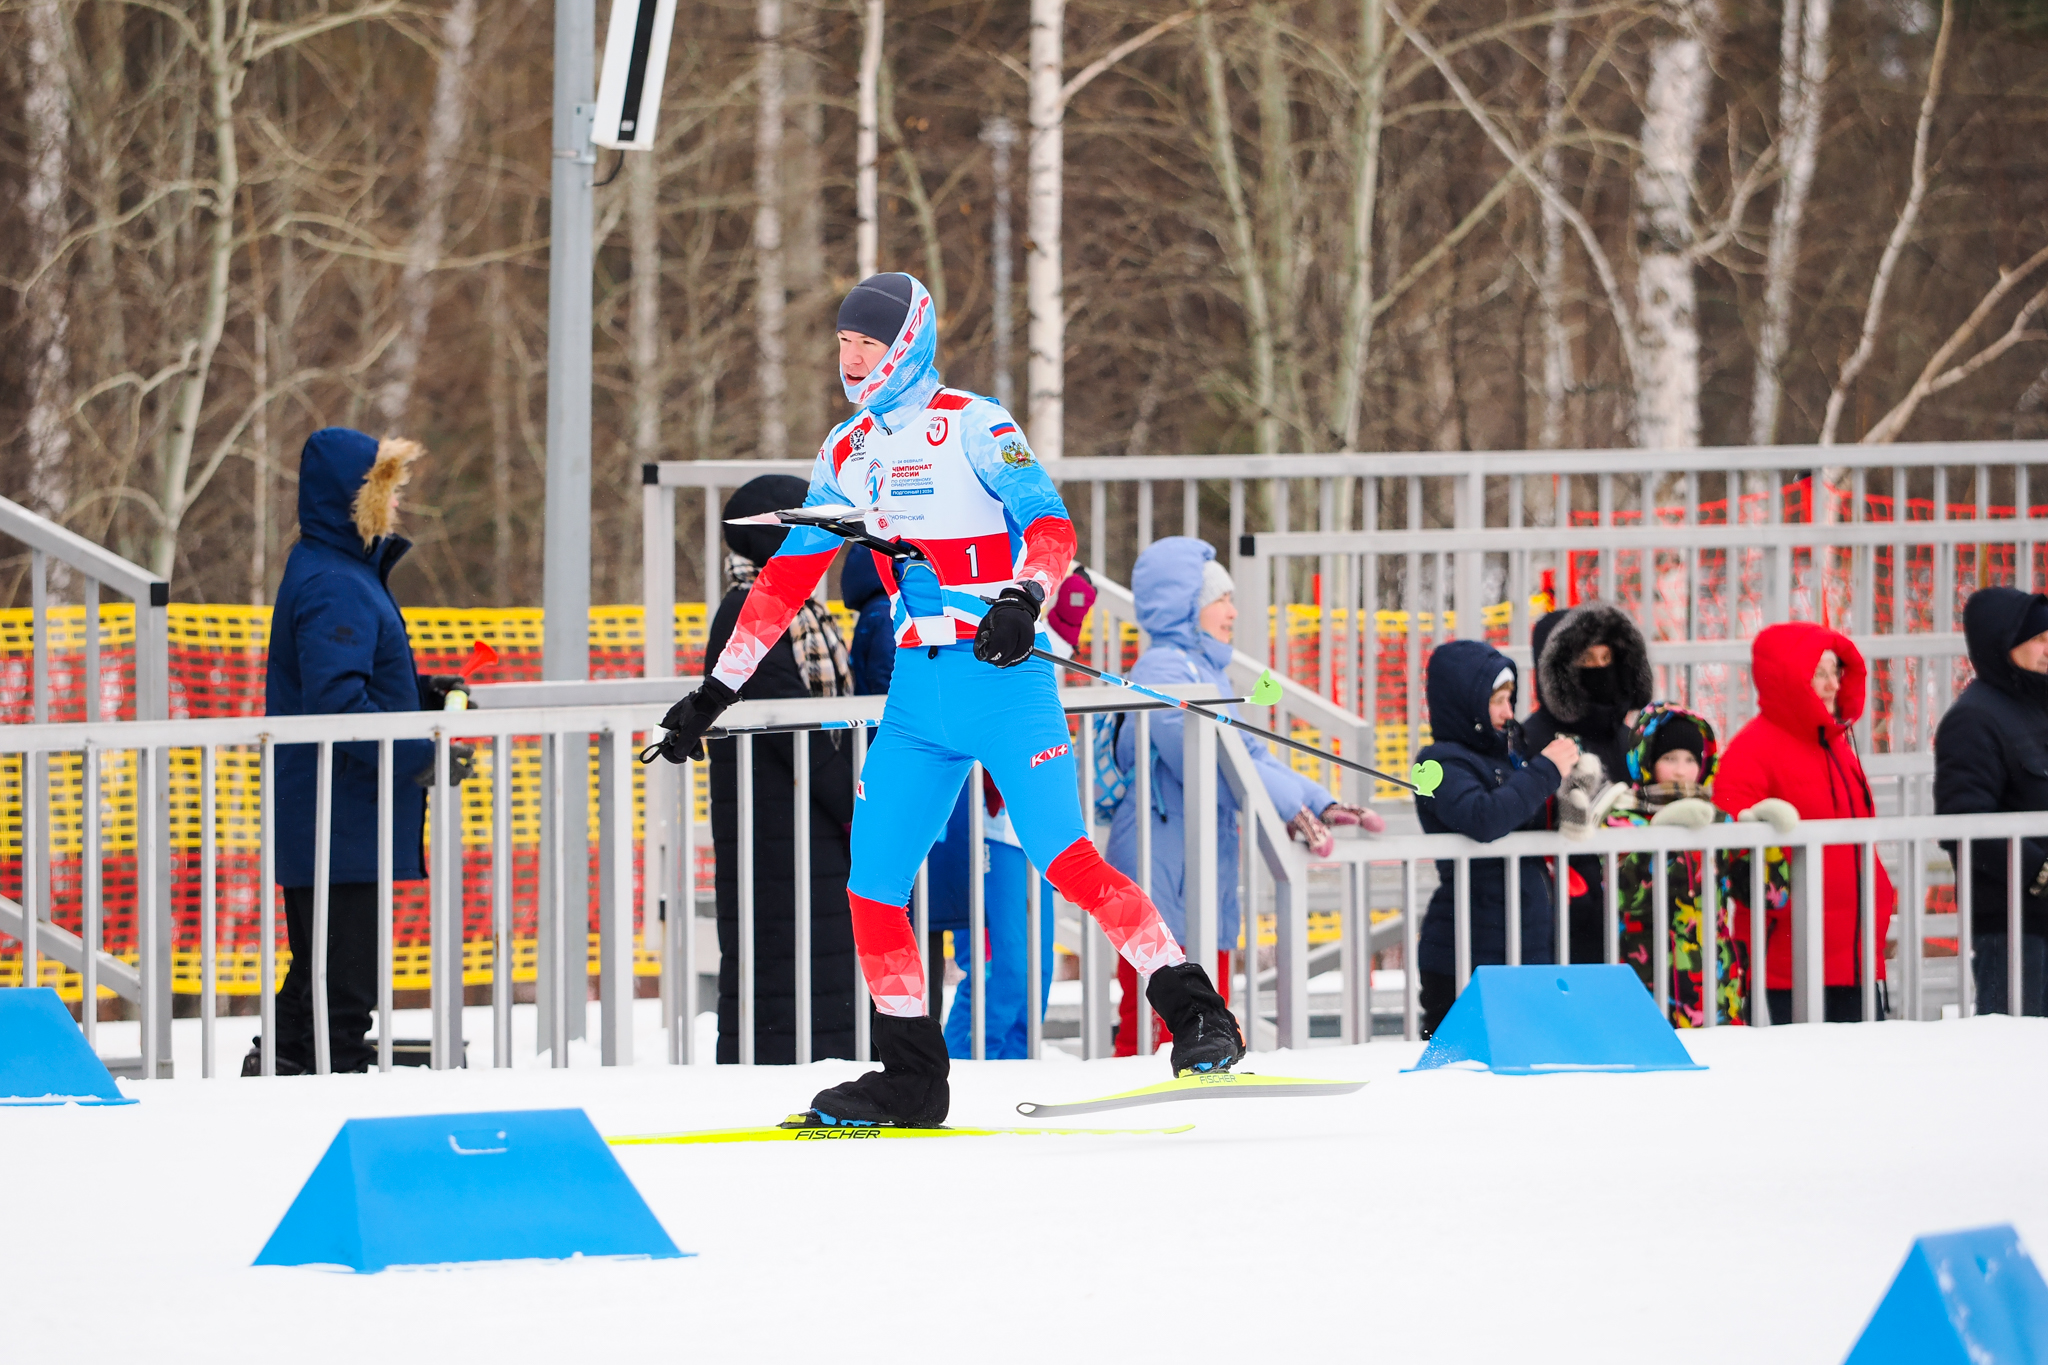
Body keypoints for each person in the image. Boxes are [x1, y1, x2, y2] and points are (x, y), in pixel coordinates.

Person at [650, 272, 1241, 1128]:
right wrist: (715, 692)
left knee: (1065, 857)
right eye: (844, 344)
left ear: (909, 342)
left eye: (869, 344)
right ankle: (912, 1074)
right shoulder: (847, 449)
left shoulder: (975, 423)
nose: (853, 360)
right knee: (872, 882)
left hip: (1002, 681)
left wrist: (1025, 597)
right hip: (916, 695)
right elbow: (785, 581)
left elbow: (1050, 525)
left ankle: (1197, 1013)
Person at [1104, 537, 1382, 1054]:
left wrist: (1315, 800)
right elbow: (1206, 763)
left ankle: (1208, 1072)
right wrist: (1287, 806)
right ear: (1185, 606)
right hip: (1160, 871)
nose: (1233, 612)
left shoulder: (1206, 671)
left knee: (1208, 1008)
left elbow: (1250, 754)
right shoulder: (1161, 671)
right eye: (1221, 599)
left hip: (1196, 869)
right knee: (1153, 1017)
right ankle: (1138, 1081)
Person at [253, 428, 466, 1076]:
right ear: (355, 498)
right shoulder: (334, 582)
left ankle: (284, 1072)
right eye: (385, 489)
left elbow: (347, 682)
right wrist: (420, 755)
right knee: (342, 987)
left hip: (335, 811)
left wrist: (421, 694)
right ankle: (333, 1084)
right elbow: (338, 704)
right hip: (338, 814)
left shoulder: (336, 571)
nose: (397, 502)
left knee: (319, 974)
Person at [703, 474, 860, 1063]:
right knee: (784, 972)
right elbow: (793, 730)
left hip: (803, 825)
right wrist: (858, 805)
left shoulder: (798, 610)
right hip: (779, 830)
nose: (827, 546)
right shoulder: (751, 610)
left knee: (818, 972)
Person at [1713, 622, 1895, 1023]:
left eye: (1836, 672)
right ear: (1789, 678)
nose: (1833, 685)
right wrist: (1779, 902)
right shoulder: (1751, 749)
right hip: (1787, 962)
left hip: (1854, 954)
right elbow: (1730, 834)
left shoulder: (1836, 744)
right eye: (1818, 673)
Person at [1414, 639, 1577, 1036]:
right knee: (1461, 1057)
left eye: (1510, 700)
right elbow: (1483, 817)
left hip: (1526, 936)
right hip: (1465, 946)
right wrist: (1545, 771)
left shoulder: (1511, 755)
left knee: (1531, 1048)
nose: (1508, 712)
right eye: (1497, 701)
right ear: (1465, 702)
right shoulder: (1437, 763)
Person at [1599, 703, 1760, 1026]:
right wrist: (1663, 838)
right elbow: (1626, 896)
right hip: (1647, 985)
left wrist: (1763, 842)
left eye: (1690, 759)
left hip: (1716, 988)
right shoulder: (1622, 819)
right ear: (1647, 761)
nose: (1681, 770)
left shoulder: (1716, 820)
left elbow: (1767, 895)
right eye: (1669, 758)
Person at [1934, 586, 2048, 1016]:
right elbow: (1963, 820)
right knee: (2014, 1042)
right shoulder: (1974, 719)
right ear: (2003, 645)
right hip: (2014, 927)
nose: (2047, 649)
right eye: (2037, 639)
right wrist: (2039, 872)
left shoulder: (2037, 706)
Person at [1521, 601, 1653, 962]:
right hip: (1561, 920)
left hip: (1634, 917)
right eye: (1585, 659)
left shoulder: (1632, 740)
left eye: (1606, 657)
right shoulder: (1533, 740)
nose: (1599, 669)